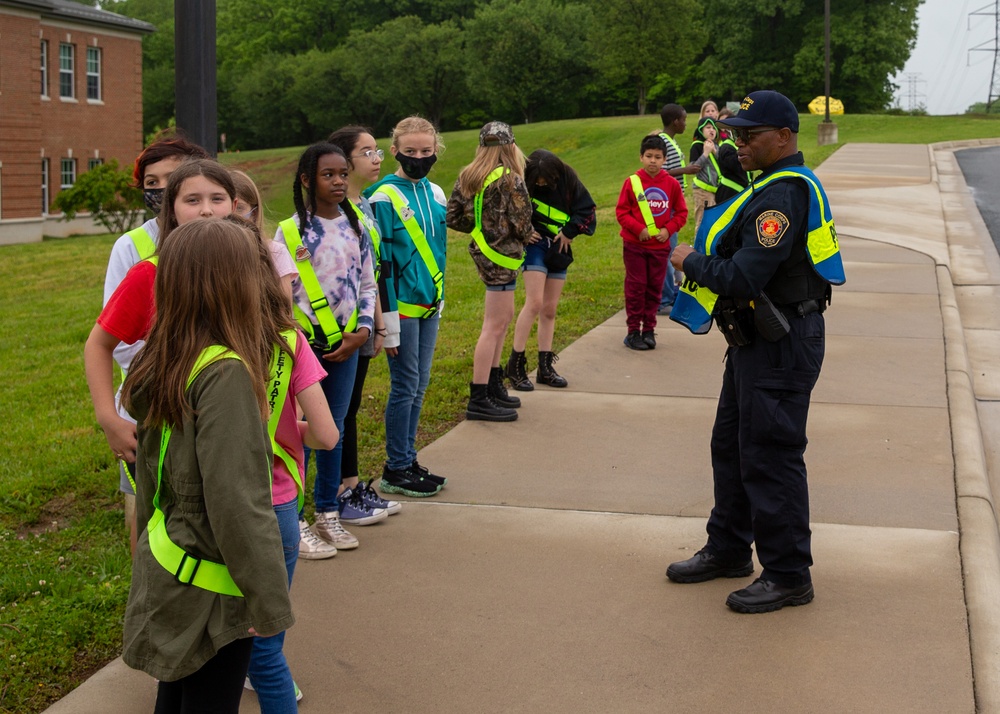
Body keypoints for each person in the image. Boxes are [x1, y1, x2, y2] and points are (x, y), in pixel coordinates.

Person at [666, 90, 846, 614]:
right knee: (732, 446)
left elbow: (744, 276)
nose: (736, 142)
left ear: (784, 137)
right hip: (755, 342)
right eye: (734, 132)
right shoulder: (766, 188)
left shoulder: (782, 196)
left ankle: (789, 574)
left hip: (780, 341)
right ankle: (727, 548)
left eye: (749, 135)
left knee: (770, 457)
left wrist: (689, 261)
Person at [119, 218, 294, 712]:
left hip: (173, 566)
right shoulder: (226, 374)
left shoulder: (167, 356)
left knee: (174, 696)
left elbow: (150, 476)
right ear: (236, 284)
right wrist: (267, 599)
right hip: (213, 587)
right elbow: (239, 502)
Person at [86, 160, 237, 537]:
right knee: (159, 527)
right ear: (171, 209)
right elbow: (98, 345)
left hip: (230, 428)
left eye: (217, 198)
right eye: (192, 199)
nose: (206, 209)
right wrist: (109, 419)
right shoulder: (148, 274)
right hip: (165, 429)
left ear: (235, 205)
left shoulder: (250, 270)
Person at [237, 214, 338, 711]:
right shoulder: (289, 341)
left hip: (225, 510)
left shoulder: (201, 345)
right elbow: (326, 434)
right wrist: (285, 434)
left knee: (231, 638)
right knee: (267, 640)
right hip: (279, 508)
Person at [97, 134, 209, 553]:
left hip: (212, 402)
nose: (160, 189)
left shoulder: (226, 241)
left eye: (171, 177)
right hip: (151, 402)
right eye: (150, 182)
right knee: (143, 512)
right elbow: (116, 340)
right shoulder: (132, 247)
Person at [275, 142, 381, 554]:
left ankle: (328, 513)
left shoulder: (357, 226)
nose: (338, 181)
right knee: (296, 432)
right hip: (302, 347)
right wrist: (295, 341)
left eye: (342, 174)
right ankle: (294, 516)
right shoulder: (289, 232)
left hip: (349, 345)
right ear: (306, 180)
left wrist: (364, 330)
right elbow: (278, 294)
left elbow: (367, 284)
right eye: (327, 175)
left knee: (332, 429)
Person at [365, 116, 449, 497]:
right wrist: (388, 320)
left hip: (429, 303)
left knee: (421, 383)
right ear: (395, 150)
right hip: (399, 307)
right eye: (410, 151)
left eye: (426, 151)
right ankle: (395, 467)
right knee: (404, 385)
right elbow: (380, 261)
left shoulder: (435, 194)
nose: (419, 157)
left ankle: (408, 458)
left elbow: (440, 250)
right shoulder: (382, 196)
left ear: (436, 151)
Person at [326, 125, 403, 520]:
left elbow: (371, 270)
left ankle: (352, 485)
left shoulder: (365, 204)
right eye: (367, 152)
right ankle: (337, 492)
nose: (377, 159)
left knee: (351, 406)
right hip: (340, 327)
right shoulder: (334, 213)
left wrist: (377, 323)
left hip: (365, 321)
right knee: (339, 409)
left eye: (377, 151)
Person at [446, 121, 533, 422]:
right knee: (494, 326)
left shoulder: (469, 176)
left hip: (485, 255)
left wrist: (481, 228)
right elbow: (522, 225)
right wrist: (516, 234)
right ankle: (479, 396)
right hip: (505, 257)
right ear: (511, 145)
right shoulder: (512, 180)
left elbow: (453, 216)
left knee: (503, 319)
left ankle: (494, 385)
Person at [505, 149, 597, 391]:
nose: (541, 184)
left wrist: (569, 232)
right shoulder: (521, 181)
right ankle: (516, 364)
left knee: (550, 308)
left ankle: (545, 367)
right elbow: (509, 212)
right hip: (534, 246)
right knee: (534, 303)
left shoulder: (570, 180)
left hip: (558, 248)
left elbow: (587, 210)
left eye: (545, 180)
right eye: (537, 180)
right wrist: (525, 231)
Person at [615, 135, 688, 351]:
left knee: (655, 288)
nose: (653, 161)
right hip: (635, 246)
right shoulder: (632, 182)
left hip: (659, 248)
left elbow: (682, 213)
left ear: (665, 159)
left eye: (657, 157)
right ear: (641, 157)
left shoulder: (672, 184)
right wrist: (639, 230)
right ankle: (632, 332)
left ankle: (648, 329)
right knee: (636, 287)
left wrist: (668, 230)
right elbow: (622, 212)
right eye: (649, 156)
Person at [654, 103, 698, 316]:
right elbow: (661, 172)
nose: (686, 123)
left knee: (671, 251)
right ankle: (664, 301)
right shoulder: (663, 142)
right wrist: (686, 170)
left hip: (674, 203)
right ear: (675, 121)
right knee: (667, 253)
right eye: (684, 119)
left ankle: (671, 292)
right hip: (667, 205)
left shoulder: (671, 141)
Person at [689, 117, 720, 230]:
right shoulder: (697, 145)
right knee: (702, 223)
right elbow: (693, 168)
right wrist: (705, 153)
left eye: (713, 128)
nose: (711, 130)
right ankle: (698, 247)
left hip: (715, 191)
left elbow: (723, 164)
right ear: (701, 130)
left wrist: (715, 152)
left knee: (713, 224)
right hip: (702, 190)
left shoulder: (717, 146)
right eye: (708, 127)